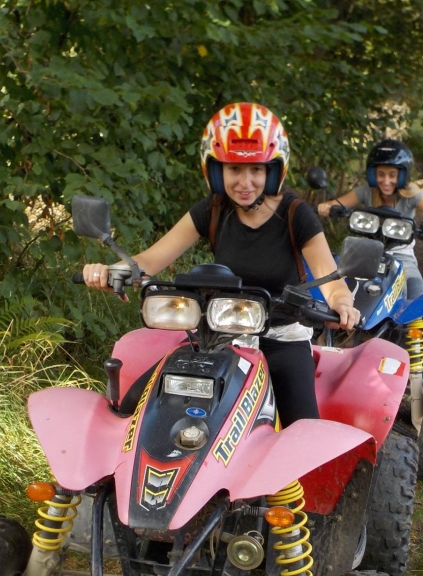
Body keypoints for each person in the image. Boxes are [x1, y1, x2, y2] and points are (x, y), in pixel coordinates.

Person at [83, 102, 360, 426]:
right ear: (216, 170)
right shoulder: (212, 210)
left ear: (274, 170)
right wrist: (108, 270)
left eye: (256, 169)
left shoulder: (295, 214)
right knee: (137, 408)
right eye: (234, 169)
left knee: (304, 431)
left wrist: (342, 303)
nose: (245, 181)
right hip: (219, 334)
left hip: (280, 336)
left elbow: (330, 279)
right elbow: (149, 261)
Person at [317, 139, 423, 300]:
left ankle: (415, 324)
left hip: (402, 254)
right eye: (381, 174)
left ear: (402, 175)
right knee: (335, 281)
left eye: (392, 175)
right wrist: (326, 206)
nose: (386, 181)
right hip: (365, 249)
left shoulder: (411, 194)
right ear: (373, 174)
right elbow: (337, 203)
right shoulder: (367, 191)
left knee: (416, 292)